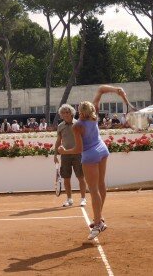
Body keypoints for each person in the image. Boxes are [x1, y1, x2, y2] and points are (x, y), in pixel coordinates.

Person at [58, 85, 132, 240]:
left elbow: (78, 149)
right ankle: (99, 217)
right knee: (100, 185)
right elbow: (100, 90)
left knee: (93, 190)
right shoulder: (95, 115)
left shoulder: (77, 126)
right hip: (102, 150)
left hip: (90, 155)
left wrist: (64, 151)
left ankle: (98, 223)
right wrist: (117, 90)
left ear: (80, 112)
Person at [54, 104, 87, 208]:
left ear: (72, 113)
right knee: (66, 178)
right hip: (65, 155)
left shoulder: (78, 124)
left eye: (67, 112)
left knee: (81, 177)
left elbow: (85, 139)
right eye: (63, 113)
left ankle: (83, 199)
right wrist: (55, 154)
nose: (65, 114)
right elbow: (58, 141)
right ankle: (69, 199)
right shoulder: (60, 126)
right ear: (61, 115)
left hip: (78, 154)